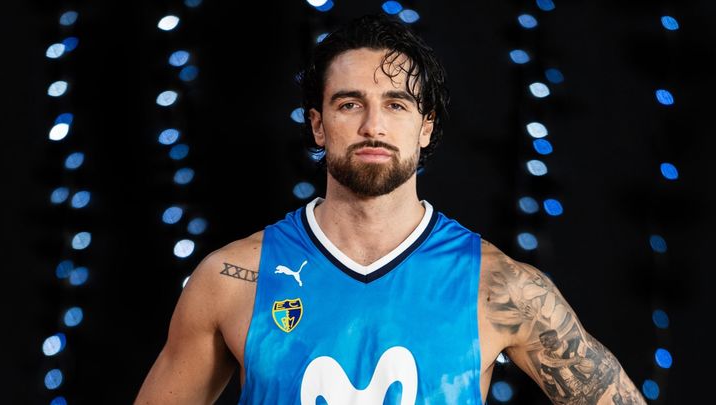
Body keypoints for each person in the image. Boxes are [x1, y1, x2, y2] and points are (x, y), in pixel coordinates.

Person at [135, 14, 646, 404]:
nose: (373, 126)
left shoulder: (499, 287)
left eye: (397, 104)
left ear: (426, 128)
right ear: (318, 125)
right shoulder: (232, 279)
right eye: (349, 104)